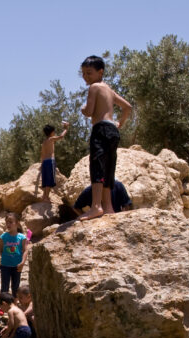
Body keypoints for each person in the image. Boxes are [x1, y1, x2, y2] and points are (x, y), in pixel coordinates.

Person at [78, 55, 133, 221]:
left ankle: (96, 206)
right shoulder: (109, 90)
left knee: (97, 166)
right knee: (109, 168)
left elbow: (89, 111)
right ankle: (108, 207)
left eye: (89, 73)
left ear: (100, 72)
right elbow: (127, 107)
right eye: (84, 74)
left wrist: (83, 108)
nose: (86, 77)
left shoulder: (94, 87)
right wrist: (119, 123)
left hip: (100, 129)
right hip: (112, 131)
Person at [0, 213, 28, 297]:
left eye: (11, 222)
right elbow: (0, 250)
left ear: (17, 223)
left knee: (15, 286)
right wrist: (6, 258)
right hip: (5, 266)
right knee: (4, 286)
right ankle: (3, 305)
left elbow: (25, 250)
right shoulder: (3, 236)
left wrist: (22, 262)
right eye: (7, 222)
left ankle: (14, 304)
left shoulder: (22, 237)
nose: (8, 224)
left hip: (17, 266)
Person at [40, 121, 69, 202]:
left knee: (45, 180)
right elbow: (61, 136)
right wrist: (66, 129)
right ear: (52, 132)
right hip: (50, 161)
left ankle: (44, 196)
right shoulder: (51, 139)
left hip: (45, 162)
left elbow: (42, 154)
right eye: (54, 131)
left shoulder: (44, 142)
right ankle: (46, 197)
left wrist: (41, 164)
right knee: (49, 180)